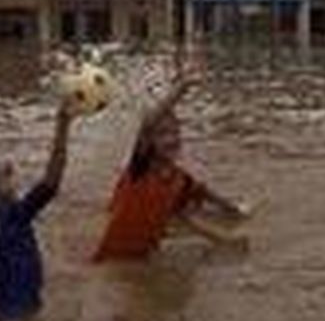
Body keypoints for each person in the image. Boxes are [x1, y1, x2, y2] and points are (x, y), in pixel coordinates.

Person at [93, 68, 245, 263]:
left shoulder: (178, 179)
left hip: (144, 261)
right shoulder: (140, 169)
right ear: (149, 143)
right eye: (163, 134)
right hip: (113, 262)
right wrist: (181, 90)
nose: (171, 139)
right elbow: (147, 125)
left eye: (175, 133)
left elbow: (201, 197)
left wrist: (233, 214)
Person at [0, 98, 76, 321]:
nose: (12, 174)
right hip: (20, 319)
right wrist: (63, 124)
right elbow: (51, 182)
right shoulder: (15, 217)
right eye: (5, 175)